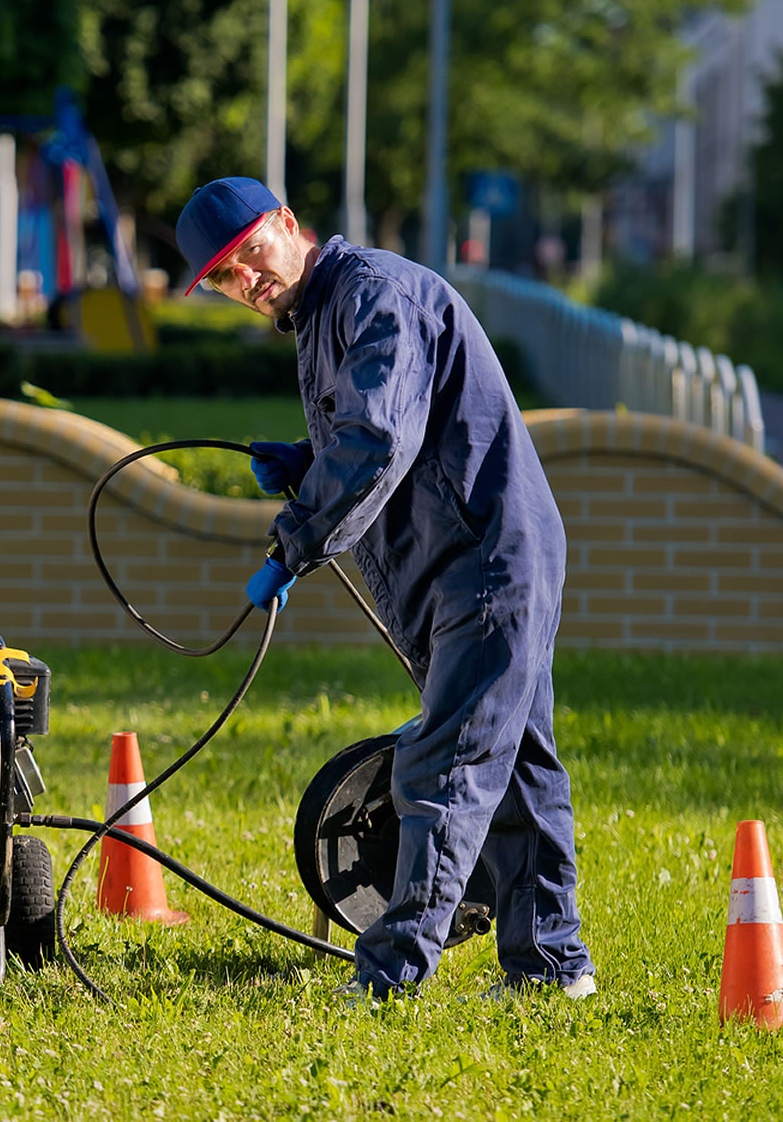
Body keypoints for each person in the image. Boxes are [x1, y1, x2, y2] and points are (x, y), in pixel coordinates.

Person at [175, 177, 595, 1001]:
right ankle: (553, 968)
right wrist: (305, 460)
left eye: (250, 254)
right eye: (224, 277)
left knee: (446, 767)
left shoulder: (372, 295)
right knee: (513, 769)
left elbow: (375, 443)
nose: (245, 281)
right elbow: (386, 422)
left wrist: (295, 541)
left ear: (288, 225)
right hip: (477, 555)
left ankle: (391, 975)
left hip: (484, 559)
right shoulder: (325, 310)